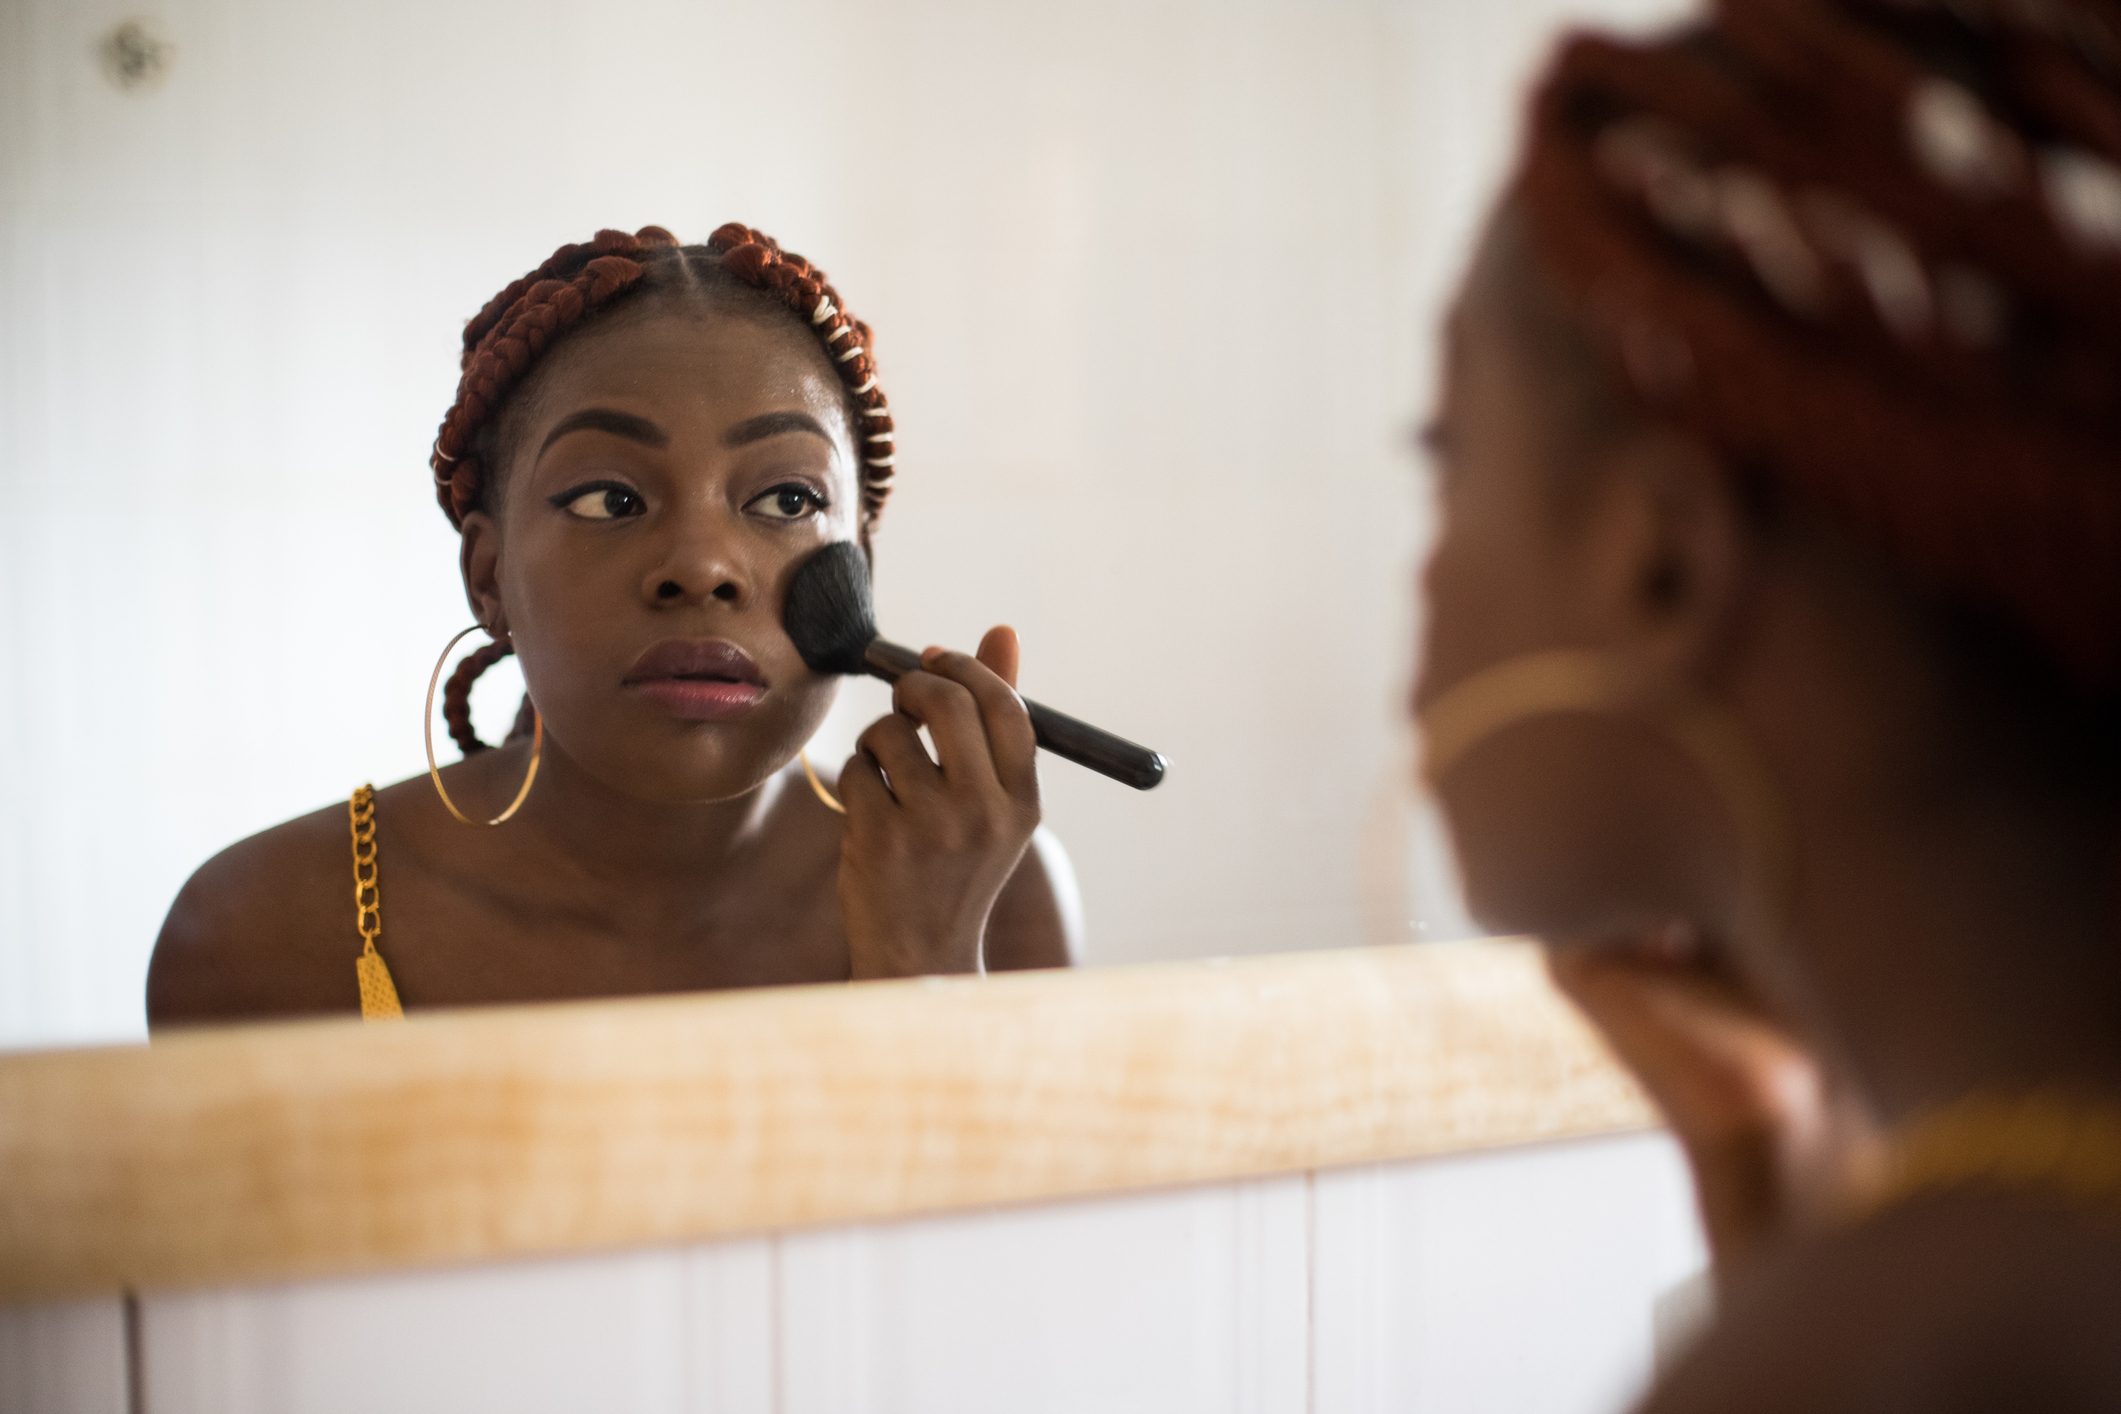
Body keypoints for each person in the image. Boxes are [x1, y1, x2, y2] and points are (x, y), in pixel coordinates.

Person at [1413, 0, 2121, 1405]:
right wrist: (1784, 1211)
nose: (1421, 578)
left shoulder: (1910, 1352)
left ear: (1666, 561)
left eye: (1445, 455)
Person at [148, 225, 1077, 1026]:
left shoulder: (991, 893)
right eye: (608, 499)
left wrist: (925, 963)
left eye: (787, 498)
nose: (702, 566)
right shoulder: (260, 931)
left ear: (859, 571)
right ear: (488, 576)